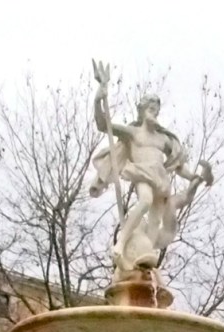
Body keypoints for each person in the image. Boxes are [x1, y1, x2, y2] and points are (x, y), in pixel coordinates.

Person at [90, 88, 213, 271]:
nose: (153, 112)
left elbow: (179, 166)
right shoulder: (133, 132)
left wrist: (194, 177)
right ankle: (121, 243)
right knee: (145, 200)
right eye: (150, 108)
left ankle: (143, 260)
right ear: (142, 110)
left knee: (154, 225)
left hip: (160, 179)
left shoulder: (163, 139)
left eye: (156, 110)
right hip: (142, 173)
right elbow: (103, 125)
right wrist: (98, 101)